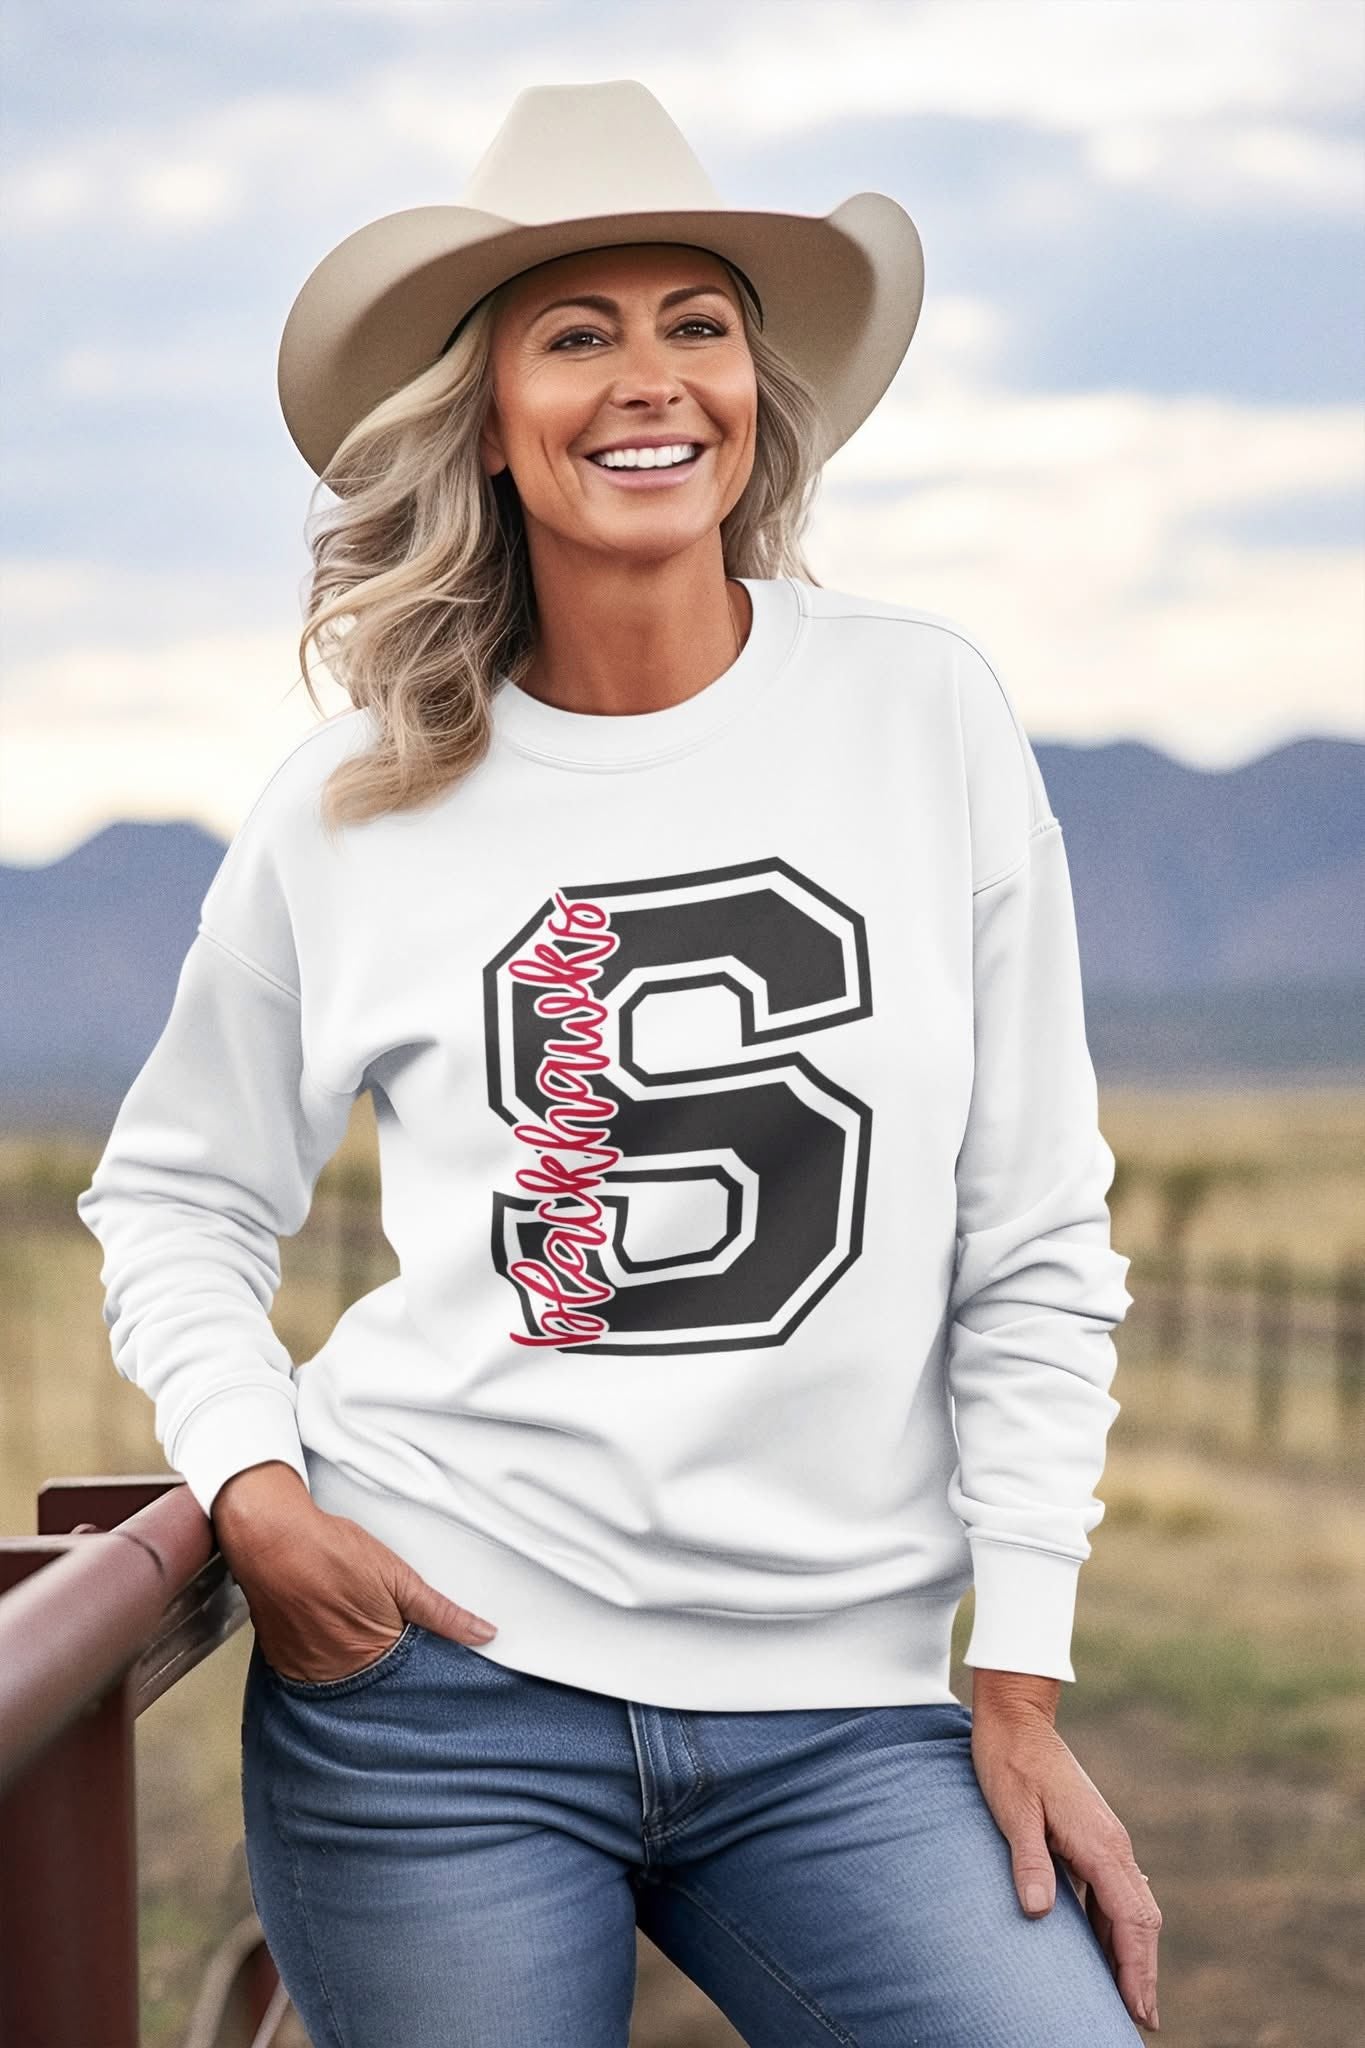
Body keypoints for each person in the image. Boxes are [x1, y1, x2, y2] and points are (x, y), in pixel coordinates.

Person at [76, 78, 1161, 2047]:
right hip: (437, 1699)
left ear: (756, 391)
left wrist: (1017, 1673)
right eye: (574, 332)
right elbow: (177, 1189)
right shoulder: (352, 797)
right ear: (482, 419)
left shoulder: (921, 715)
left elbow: (1030, 1235)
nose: (647, 379)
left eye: (697, 323)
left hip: (844, 1717)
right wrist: (248, 1480)